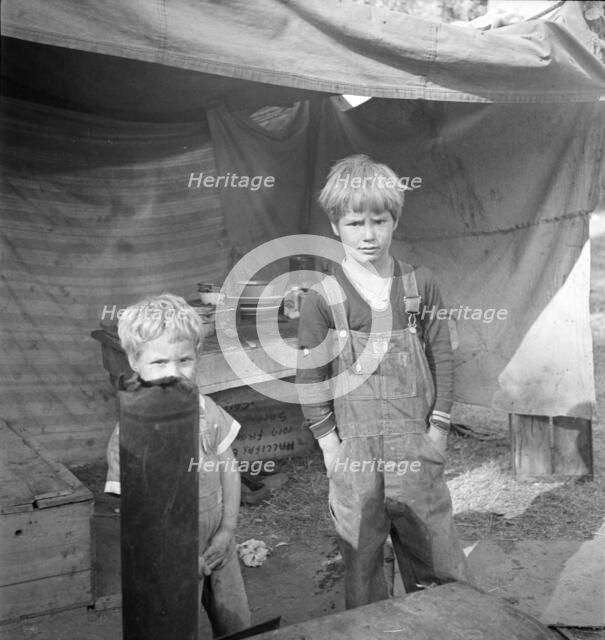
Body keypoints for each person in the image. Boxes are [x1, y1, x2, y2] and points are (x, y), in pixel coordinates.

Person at [296, 154, 470, 609]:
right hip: (354, 454)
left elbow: (444, 359)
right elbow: (310, 379)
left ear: (395, 220)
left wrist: (438, 431)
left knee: (438, 560)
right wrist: (331, 448)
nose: (369, 235)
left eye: (380, 220)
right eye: (355, 223)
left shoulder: (419, 285)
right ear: (335, 226)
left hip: (416, 445)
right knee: (363, 566)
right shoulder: (323, 299)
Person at [104, 293, 250, 636]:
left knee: (235, 620)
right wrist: (176, 559)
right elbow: (133, 517)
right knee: (173, 625)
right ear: (134, 361)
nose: (173, 373)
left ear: (198, 355)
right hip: (167, 558)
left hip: (219, 542)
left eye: (184, 360)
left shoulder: (207, 410)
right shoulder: (131, 433)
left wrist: (228, 530)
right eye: (159, 363)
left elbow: (229, 469)